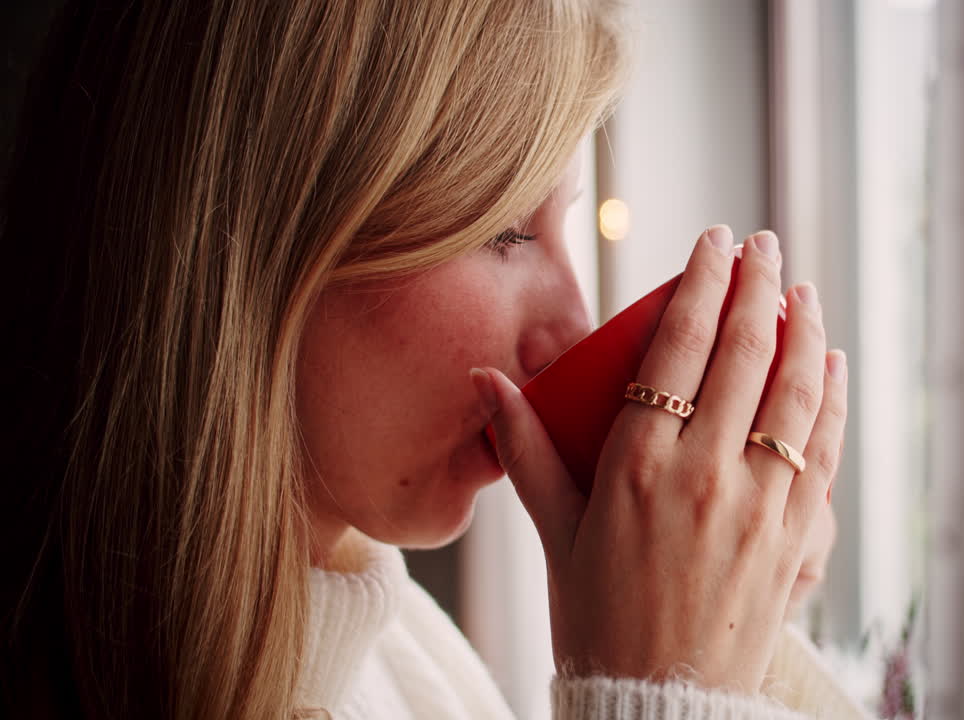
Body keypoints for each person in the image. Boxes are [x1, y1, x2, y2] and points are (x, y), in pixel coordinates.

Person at [1, 0, 864, 718]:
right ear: (258, 236)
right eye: (505, 231)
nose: (569, 332)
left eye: (562, 223)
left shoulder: (402, 655)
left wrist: (726, 624)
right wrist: (657, 697)